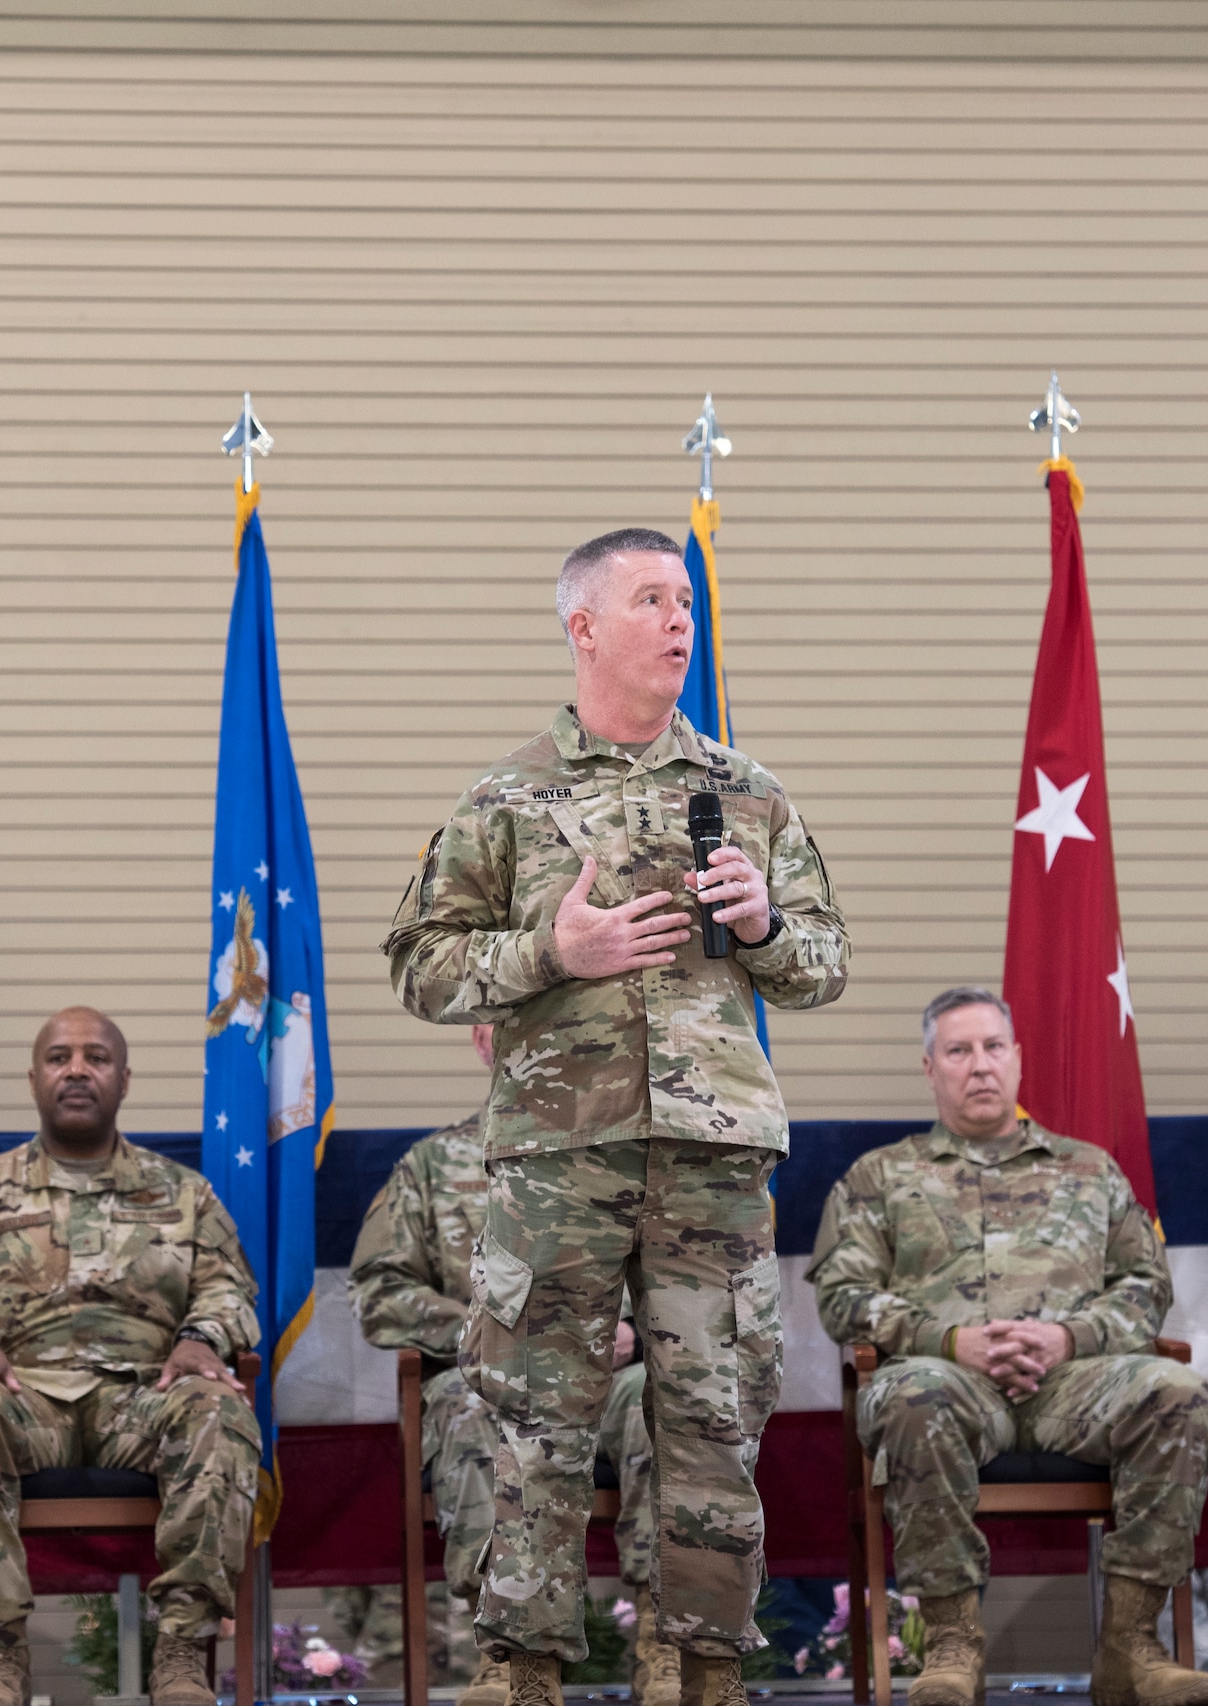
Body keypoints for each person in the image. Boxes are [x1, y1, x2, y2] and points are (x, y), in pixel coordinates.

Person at [383, 527, 850, 1706]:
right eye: (651, 598)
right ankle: (523, 1668)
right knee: (533, 1414)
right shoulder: (505, 797)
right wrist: (554, 947)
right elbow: (419, 966)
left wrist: (761, 930)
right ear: (583, 627)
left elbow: (823, 963)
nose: (679, 620)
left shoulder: (748, 793)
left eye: (685, 600)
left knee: (713, 1411)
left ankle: (700, 1671)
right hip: (556, 1152)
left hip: (711, 1154)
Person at [808, 986, 1208, 1706]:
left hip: (1075, 1386)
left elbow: (1145, 1288)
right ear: (929, 1068)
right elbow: (842, 1298)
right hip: (947, 1384)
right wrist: (949, 1340)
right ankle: (953, 1647)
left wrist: (1070, 1336)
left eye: (994, 1047)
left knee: (1178, 1393)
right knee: (909, 1397)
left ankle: (1130, 1644)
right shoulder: (879, 1177)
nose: (980, 1066)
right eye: (959, 1051)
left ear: (1019, 1060)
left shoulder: (1090, 1170)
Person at [0, 1008, 260, 1706]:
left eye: (95, 1057)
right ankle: (1, 1657)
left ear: (123, 1079)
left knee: (220, 1409)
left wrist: (201, 1337)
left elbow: (230, 1286)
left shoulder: (183, 1193)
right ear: (33, 1078)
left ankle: (184, 1650)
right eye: (59, 1057)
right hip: (23, 1392)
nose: (76, 1070)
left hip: (144, 1396)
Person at [347, 1024, 667, 1706]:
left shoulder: (629, 1156)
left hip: (605, 1382)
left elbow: (684, 1278)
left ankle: (663, 1646)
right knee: (467, 1415)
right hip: (486, 1383)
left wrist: (636, 1331)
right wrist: (483, 1327)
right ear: (484, 1039)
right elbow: (379, 1296)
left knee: (663, 1404)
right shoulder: (431, 1167)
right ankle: (508, 1654)